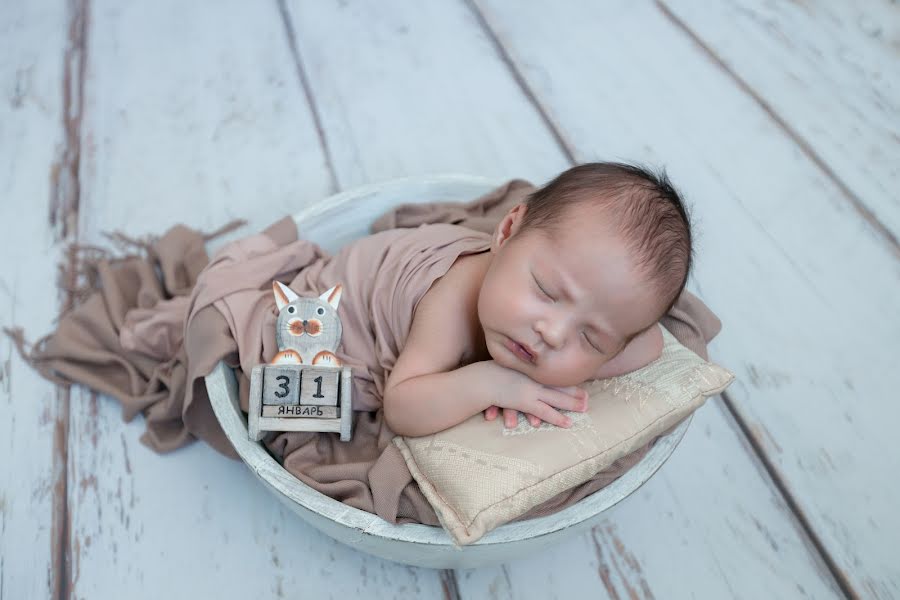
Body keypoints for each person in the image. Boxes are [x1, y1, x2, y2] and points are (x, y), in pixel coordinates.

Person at [383, 162, 693, 437]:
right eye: (546, 291)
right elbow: (401, 410)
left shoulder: (566, 310)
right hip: (345, 310)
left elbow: (649, 344)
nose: (553, 334)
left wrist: (575, 367)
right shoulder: (450, 301)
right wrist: (491, 384)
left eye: (590, 338)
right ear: (506, 231)